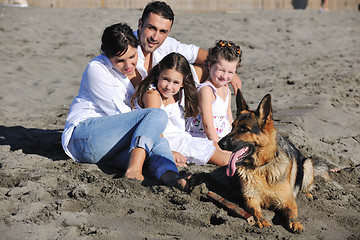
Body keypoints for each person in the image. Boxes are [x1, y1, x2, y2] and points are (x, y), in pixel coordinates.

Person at [61, 23, 189, 191]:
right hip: (85, 137)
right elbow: (118, 113)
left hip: (111, 148)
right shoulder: (97, 69)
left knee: (154, 149)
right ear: (107, 56)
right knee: (156, 116)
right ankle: (133, 170)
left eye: (132, 56)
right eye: (120, 61)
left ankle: (172, 179)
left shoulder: (139, 69)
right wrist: (149, 127)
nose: (128, 65)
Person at [131, 52, 230, 167]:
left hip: (182, 139)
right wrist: (169, 152)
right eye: (166, 79)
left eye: (176, 82)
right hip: (164, 143)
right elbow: (154, 128)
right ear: (158, 74)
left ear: (183, 83)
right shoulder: (152, 94)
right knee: (222, 159)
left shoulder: (179, 94)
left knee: (219, 150)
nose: (169, 87)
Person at [135, 1, 242, 93]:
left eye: (163, 31)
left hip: (165, 97)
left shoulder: (168, 44)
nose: (155, 37)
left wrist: (226, 71)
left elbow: (197, 54)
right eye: (152, 28)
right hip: (133, 106)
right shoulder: (124, 46)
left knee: (210, 71)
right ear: (140, 23)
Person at [186, 40, 242, 143]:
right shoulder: (206, 90)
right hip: (206, 139)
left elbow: (229, 116)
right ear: (210, 66)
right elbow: (207, 124)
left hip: (223, 137)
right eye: (220, 70)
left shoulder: (226, 89)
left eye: (230, 72)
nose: (225, 76)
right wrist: (217, 146)